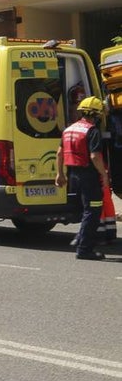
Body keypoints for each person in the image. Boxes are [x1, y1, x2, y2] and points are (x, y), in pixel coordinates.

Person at [56, 96, 110, 260]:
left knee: (85, 210)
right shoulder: (91, 131)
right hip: (89, 177)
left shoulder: (69, 129)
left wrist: (60, 174)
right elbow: (95, 157)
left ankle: (80, 238)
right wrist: (104, 174)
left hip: (73, 176)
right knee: (92, 212)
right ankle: (84, 249)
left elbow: (59, 153)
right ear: (96, 115)